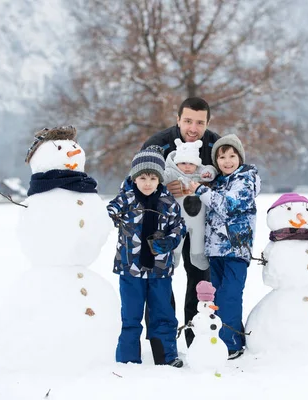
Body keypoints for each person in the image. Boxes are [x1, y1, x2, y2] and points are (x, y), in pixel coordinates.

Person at [142, 97, 220, 347]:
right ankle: (162, 340)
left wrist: (208, 188)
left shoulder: (216, 145)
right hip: (162, 224)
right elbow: (137, 181)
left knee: (200, 279)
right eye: (187, 121)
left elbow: (229, 177)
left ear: (208, 123)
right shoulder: (157, 144)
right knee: (160, 280)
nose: (193, 128)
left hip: (200, 224)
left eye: (200, 122)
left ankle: (197, 337)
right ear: (177, 120)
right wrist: (162, 186)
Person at [107, 145, 187, 367]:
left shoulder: (167, 201)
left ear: (159, 179)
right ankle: (128, 359)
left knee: (163, 314)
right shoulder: (126, 199)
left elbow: (179, 227)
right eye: (143, 177)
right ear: (134, 177)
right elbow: (108, 214)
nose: (148, 182)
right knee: (131, 316)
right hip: (130, 268)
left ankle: (167, 356)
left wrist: (170, 241)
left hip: (160, 270)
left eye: (153, 177)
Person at [188, 134, 260, 360]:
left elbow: (228, 206)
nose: (227, 161)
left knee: (229, 296)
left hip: (235, 250)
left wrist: (201, 190)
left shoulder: (245, 180)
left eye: (232, 156)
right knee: (217, 298)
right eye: (222, 157)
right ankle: (222, 340)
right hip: (216, 250)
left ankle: (232, 345)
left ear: (240, 157)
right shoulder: (219, 181)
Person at [162, 138, 217, 271]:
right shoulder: (172, 173)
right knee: (176, 236)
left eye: (191, 163)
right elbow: (159, 177)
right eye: (183, 163)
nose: (187, 167)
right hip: (178, 218)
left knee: (198, 235)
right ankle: (173, 256)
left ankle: (198, 255)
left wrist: (209, 173)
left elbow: (211, 171)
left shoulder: (200, 174)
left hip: (198, 219)